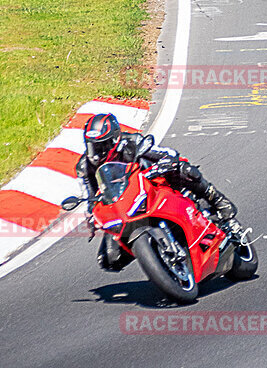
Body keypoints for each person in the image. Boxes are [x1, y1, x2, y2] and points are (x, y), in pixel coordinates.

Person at [76, 112, 241, 273]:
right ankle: (155, 254)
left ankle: (218, 201)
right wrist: (92, 217)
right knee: (109, 258)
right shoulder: (84, 167)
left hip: (154, 184)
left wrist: (164, 164)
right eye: (91, 146)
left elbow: (168, 154)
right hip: (123, 207)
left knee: (185, 169)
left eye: (101, 146)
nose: (96, 154)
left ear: (114, 140)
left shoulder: (133, 142)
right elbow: (90, 198)